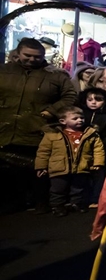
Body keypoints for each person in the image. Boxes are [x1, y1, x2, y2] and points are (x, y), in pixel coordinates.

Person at [0, 38, 77, 214]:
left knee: (38, 168)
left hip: (37, 129)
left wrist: (52, 111)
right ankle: (13, 201)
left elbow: (70, 96)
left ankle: (41, 201)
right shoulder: (4, 71)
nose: (32, 60)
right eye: (28, 55)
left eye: (38, 57)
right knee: (8, 171)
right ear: (18, 53)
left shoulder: (55, 75)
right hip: (6, 128)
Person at [35, 106, 105, 216]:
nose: (80, 120)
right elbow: (43, 152)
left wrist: (98, 162)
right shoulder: (52, 134)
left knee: (78, 188)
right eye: (75, 118)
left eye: (81, 118)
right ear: (63, 121)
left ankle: (76, 204)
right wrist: (41, 166)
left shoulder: (90, 133)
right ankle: (57, 206)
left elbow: (98, 149)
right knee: (58, 189)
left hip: (81, 166)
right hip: (59, 167)